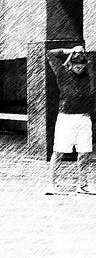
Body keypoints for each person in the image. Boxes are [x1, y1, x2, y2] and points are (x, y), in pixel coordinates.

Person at [45, 46, 94, 195]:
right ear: (70, 65)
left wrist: (81, 52)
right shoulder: (62, 74)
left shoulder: (89, 74)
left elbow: (90, 62)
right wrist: (69, 50)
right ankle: (51, 184)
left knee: (85, 152)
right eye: (76, 65)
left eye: (82, 64)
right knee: (58, 152)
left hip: (84, 118)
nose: (79, 67)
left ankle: (83, 185)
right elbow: (50, 53)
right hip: (66, 118)